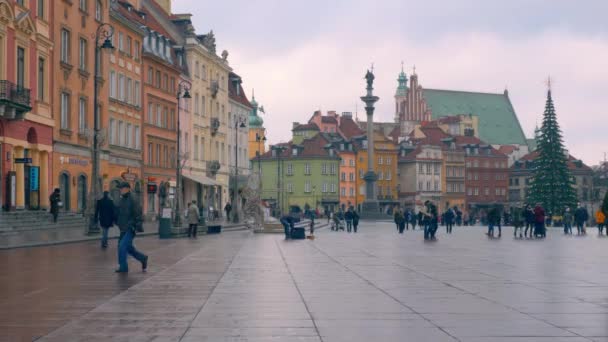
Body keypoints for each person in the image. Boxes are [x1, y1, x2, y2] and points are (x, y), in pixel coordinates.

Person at [114, 182, 148, 273]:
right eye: (120, 188)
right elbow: (120, 213)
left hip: (130, 227)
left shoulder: (133, 198)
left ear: (128, 188)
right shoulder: (122, 199)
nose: (120, 190)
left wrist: (135, 225)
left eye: (122, 188)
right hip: (123, 228)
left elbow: (138, 213)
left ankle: (123, 268)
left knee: (122, 246)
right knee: (128, 248)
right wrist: (116, 221)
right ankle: (143, 258)